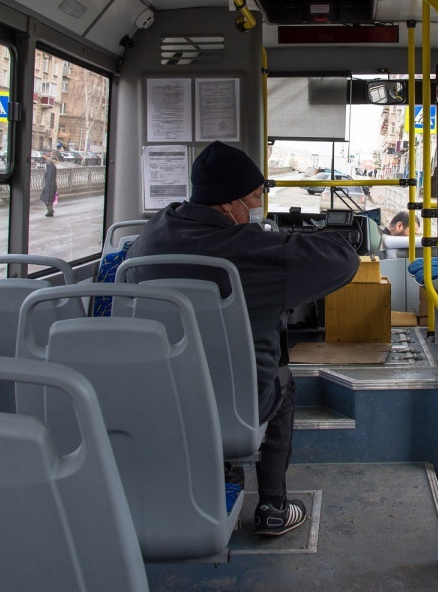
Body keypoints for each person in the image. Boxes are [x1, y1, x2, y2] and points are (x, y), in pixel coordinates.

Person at [124, 140, 359, 536]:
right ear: (227, 203)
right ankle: (273, 507)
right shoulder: (248, 250)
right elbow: (342, 262)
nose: (256, 207)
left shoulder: (152, 234)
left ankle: (221, 471)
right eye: (253, 198)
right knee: (282, 383)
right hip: (236, 399)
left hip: (160, 393)